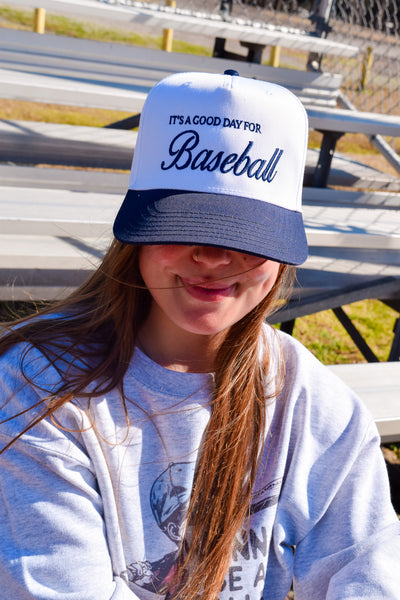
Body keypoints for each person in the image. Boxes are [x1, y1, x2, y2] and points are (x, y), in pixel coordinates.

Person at [0, 69, 399, 600]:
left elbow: (365, 568)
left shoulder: (310, 400)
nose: (211, 257)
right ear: (135, 234)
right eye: (181, 225)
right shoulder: (38, 385)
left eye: (243, 234)